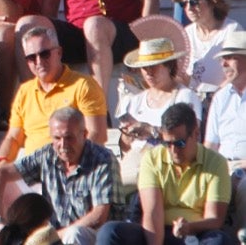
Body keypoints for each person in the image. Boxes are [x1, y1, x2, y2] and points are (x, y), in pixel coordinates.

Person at [96, 103, 235, 245]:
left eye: (180, 143)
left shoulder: (216, 162)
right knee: (110, 231)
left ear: (196, 134)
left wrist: (189, 227)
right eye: (168, 143)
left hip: (197, 233)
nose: (173, 151)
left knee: (218, 240)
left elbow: (215, 219)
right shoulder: (152, 159)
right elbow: (152, 212)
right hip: (155, 232)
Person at [0, 107, 121, 245]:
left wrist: (51, 237)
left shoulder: (102, 159)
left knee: (74, 234)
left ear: (84, 134)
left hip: (97, 236)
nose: (63, 145)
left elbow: (98, 216)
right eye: (57, 138)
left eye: (69, 138)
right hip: (53, 237)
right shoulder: (47, 155)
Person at [0, 25, 108, 164]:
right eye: (31, 57)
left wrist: (70, 166)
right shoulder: (25, 92)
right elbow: (12, 138)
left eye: (44, 54)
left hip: (73, 168)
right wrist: (2, 163)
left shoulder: (83, 85)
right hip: (33, 171)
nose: (39, 62)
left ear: (59, 53)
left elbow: (97, 134)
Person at [115, 38, 203, 183]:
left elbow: (191, 137)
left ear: (168, 66)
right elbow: (126, 148)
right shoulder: (135, 101)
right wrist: (126, 135)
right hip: (135, 161)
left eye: (154, 67)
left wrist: (152, 131)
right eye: (144, 68)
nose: (149, 73)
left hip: (170, 161)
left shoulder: (184, 96)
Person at [204, 30, 246, 233]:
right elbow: (210, 146)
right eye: (223, 58)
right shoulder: (220, 97)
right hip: (222, 166)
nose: (223, 64)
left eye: (230, 58)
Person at [177, 0, 243, 92]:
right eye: (184, 3)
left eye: (194, 2)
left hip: (223, 99)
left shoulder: (231, 30)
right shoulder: (186, 33)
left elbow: (239, 73)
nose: (189, 8)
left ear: (212, 1)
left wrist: (215, 96)